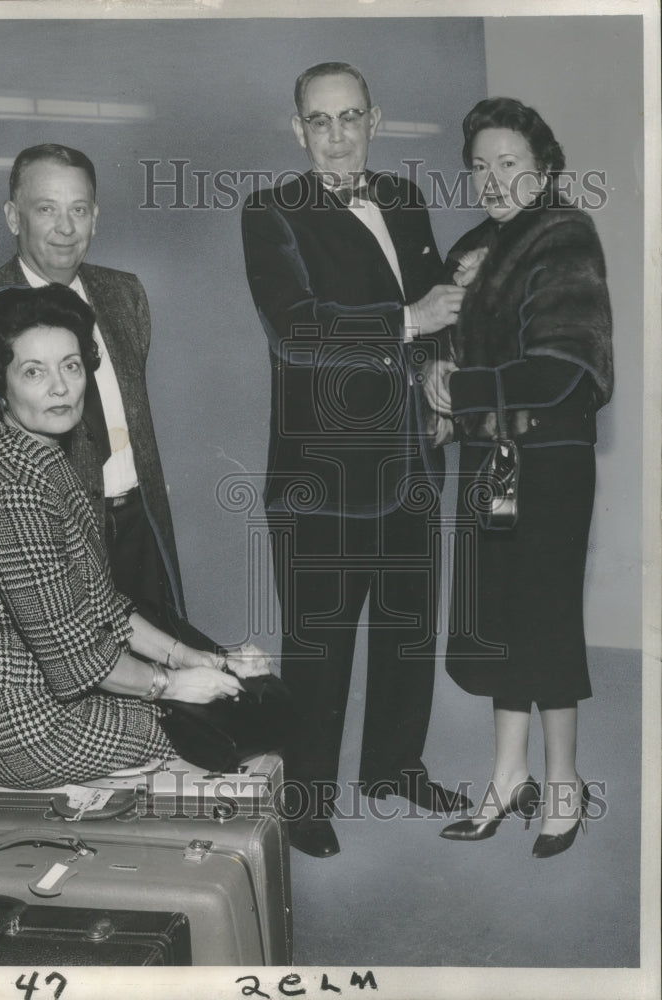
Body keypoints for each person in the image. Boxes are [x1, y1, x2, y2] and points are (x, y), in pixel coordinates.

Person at [241, 61, 471, 857]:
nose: (335, 137)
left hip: (411, 460)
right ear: (296, 128)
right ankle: (306, 798)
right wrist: (409, 323)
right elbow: (295, 330)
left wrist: (439, 362)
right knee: (319, 645)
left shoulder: (404, 199)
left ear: (375, 119)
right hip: (322, 478)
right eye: (318, 121)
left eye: (349, 118)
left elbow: (436, 301)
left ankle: (392, 766)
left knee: (408, 631)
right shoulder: (270, 212)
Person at [0, 283, 269, 789]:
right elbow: (75, 659)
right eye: (34, 372)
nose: (60, 388)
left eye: (71, 366)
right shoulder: (12, 491)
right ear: (0, 381)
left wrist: (192, 658)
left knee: (235, 692)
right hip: (24, 727)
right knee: (238, 720)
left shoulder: (36, 452)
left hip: (47, 697)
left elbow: (101, 604)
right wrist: (172, 686)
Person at [423, 97, 613, 858]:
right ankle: (507, 778)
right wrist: (445, 344)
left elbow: (566, 369)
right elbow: (445, 341)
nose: (492, 178)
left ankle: (562, 784)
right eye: (478, 165)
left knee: (545, 621)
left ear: (542, 167)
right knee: (498, 620)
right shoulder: (479, 245)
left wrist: (459, 390)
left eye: (508, 163)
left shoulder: (566, 234)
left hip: (551, 464)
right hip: (491, 463)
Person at [0, 143, 185, 633]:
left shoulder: (125, 294)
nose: (66, 228)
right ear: (13, 217)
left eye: (79, 209)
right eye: (46, 209)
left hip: (141, 529)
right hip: (47, 550)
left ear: (96, 217)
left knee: (170, 690)